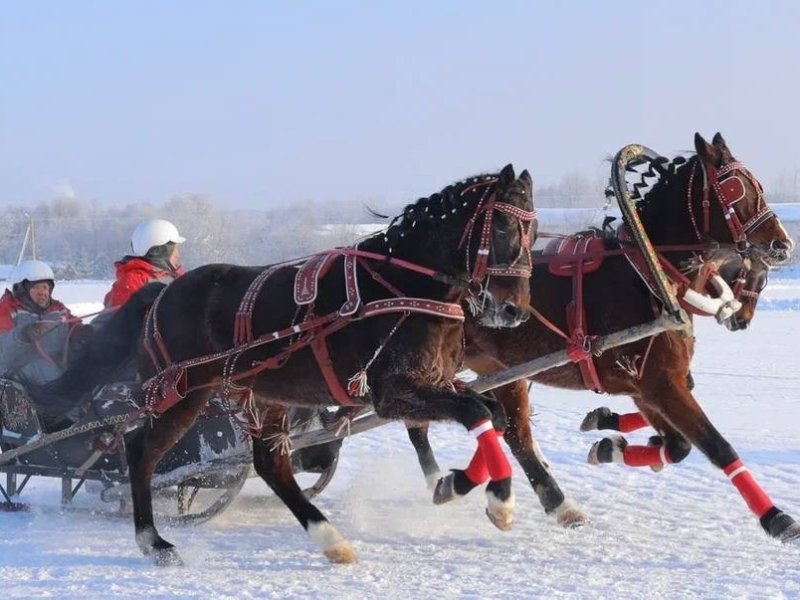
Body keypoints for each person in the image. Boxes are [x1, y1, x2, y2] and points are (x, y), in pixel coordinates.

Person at [0, 260, 84, 429]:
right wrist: (24, 334)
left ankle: (85, 414)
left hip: (54, 363)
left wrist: (83, 334)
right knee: (46, 372)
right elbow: (4, 349)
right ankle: (66, 423)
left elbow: (74, 326)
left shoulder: (58, 309)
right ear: (22, 290)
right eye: (36, 288)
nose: (42, 293)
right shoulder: (8, 309)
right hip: (15, 368)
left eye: (45, 288)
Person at [104, 218, 186, 308]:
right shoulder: (133, 280)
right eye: (174, 249)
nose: (178, 254)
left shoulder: (178, 275)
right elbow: (118, 319)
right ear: (159, 250)